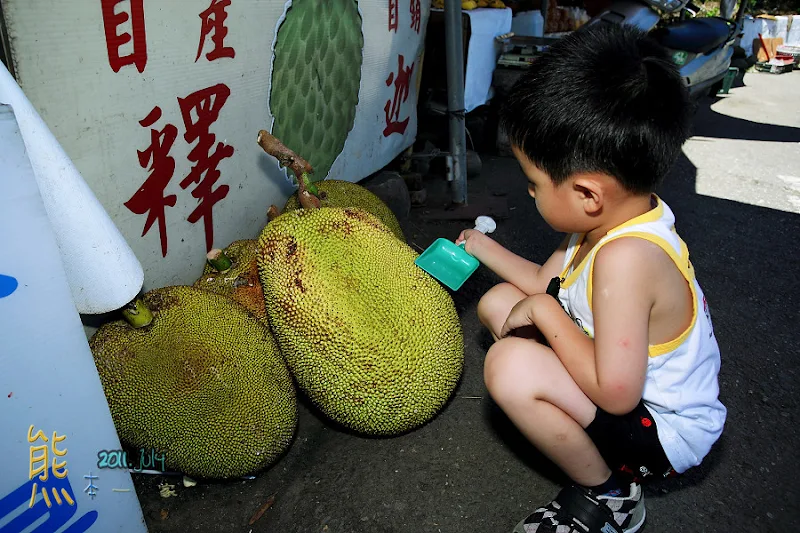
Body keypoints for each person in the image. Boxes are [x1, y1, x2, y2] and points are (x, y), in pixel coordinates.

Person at [457, 23, 726, 533]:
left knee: (510, 364)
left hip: (663, 426)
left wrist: (543, 314)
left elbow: (617, 394)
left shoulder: (626, 259)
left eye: (534, 184)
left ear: (587, 193)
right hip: (622, 377)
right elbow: (542, 284)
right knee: (498, 302)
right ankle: (583, 442)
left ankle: (611, 494)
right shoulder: (613, 217)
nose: (531, 195)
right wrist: (482, 247)